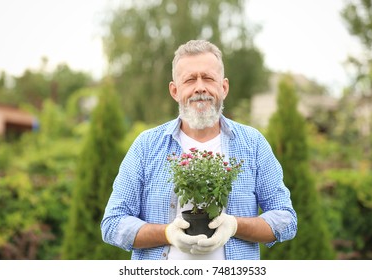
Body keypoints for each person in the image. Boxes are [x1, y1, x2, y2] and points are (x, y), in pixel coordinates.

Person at [101, 39, 297, 260]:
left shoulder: (252, 144)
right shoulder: (147, 146)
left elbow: (286, 219)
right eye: (190, 79)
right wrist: (167, 233)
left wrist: (234, 226)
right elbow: (113, 223)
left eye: (208, 78)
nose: (200, 87)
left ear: (224, 87)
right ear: (175, 90)